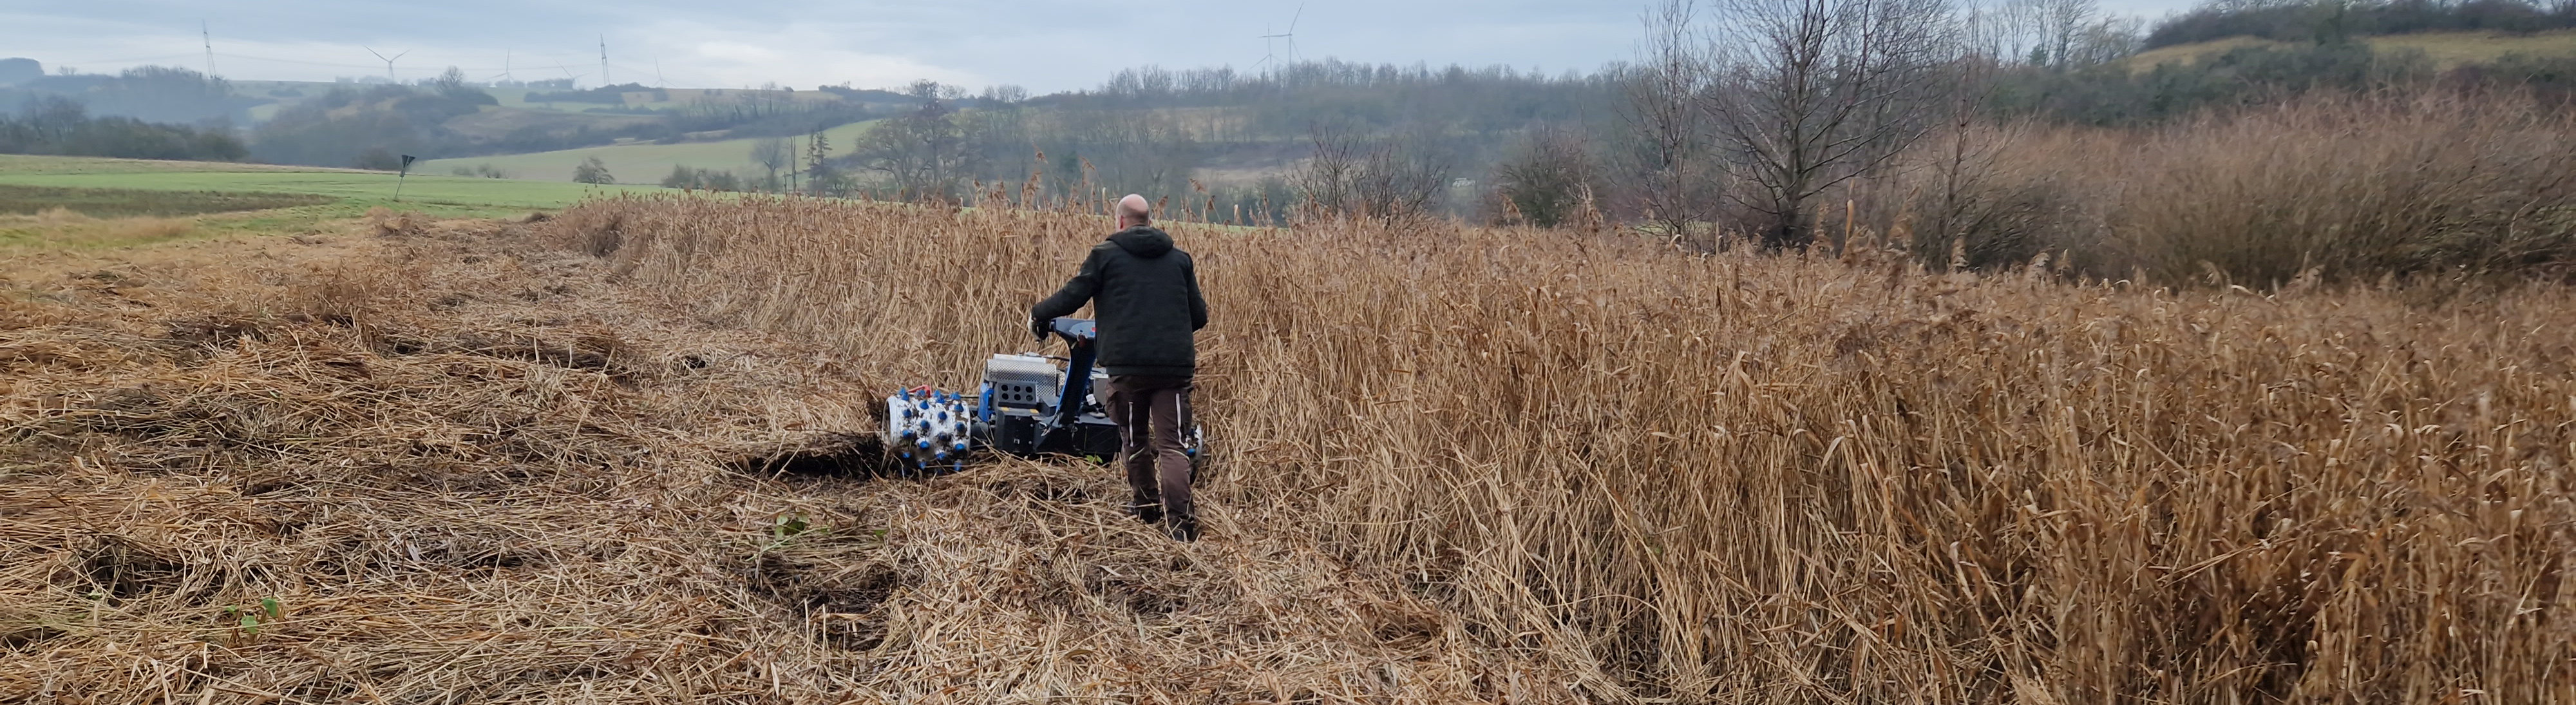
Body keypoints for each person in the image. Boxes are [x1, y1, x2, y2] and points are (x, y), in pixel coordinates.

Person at [1031, 194, 1210, 541]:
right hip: (1173, 370)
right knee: (1172, 445)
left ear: (1121, 222)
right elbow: (1199, 316)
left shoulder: (1106, 256)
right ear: (1149, 221)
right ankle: (1181, 525)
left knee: (1135, 438)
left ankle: (1144, 507)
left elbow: (1074, 295)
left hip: (1127, 369)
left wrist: (1040, 313)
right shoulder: (1179, 261)